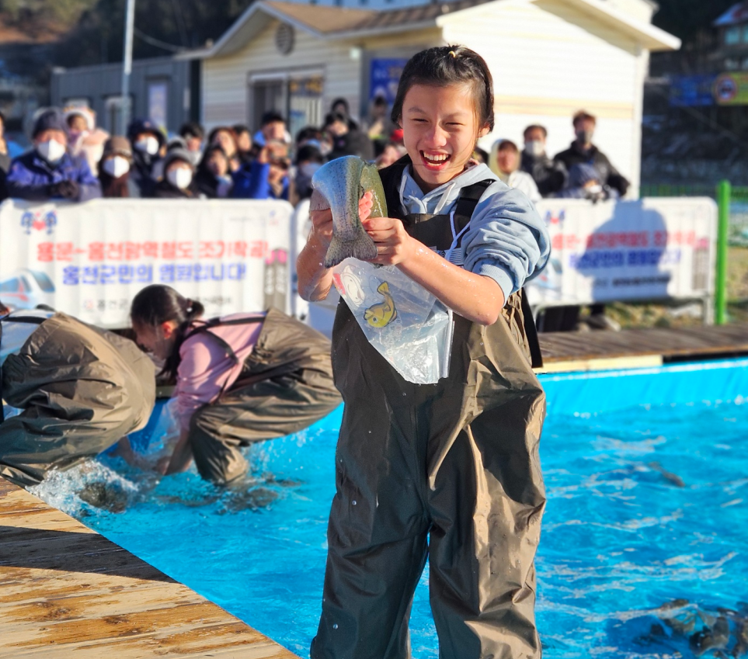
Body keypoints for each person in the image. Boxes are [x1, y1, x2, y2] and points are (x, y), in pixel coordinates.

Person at [298, 45, 549, 659]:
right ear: (399, 120)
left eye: (452, 124)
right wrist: (322, 237)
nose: (433, 139)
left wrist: (408, 251)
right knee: (358, 595)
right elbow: (313, 285)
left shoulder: (504, 206)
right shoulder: (367, 190)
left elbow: (487, 302)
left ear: (483, 127)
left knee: (486, 597)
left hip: (480, 434)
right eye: (418, 120)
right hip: (377, 432)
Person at [129, 285, 342, 484]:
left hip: (317, 376)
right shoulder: (203, 337)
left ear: (166, 329)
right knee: (216, 420)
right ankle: (257, 485)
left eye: (139, 332)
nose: (139, 341)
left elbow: (189, 432)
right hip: (320, 368)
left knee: (210, 427)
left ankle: (242, 498)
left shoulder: (198, 349)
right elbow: (182, 421)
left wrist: (166, 484)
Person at [0, 287, 155, 487]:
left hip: (97, 405)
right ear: (5, 310)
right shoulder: (42, 314)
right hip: (141, 393)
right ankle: (120, 501)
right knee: (59, 464)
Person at [6, 108, 102, 202]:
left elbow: (95, 190)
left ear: (66, 139)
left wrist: (78, 191)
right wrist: (47, 190)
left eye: (57, 136)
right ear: (35, 139)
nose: (51, 141)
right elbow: (15, 187)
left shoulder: (78, 164)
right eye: (46, 135)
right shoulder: (22, 164)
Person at [554, 110, 630, 197]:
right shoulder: (562, 158)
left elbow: (614, 177)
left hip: (598, 206)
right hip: (572, 206)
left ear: (594, 129)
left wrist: (622, 184)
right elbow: (555, 184)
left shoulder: (601, 158)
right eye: (582, 127)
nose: (585, 130)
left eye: (589, 127)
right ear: (575, 130)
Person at [489, 138, 541, 203]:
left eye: (511, 152)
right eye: (503, 151)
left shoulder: (524, 179)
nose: (507, 156)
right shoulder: (486, 180)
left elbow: (536, 203)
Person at [520, 124, 566, 197]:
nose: (533, 142)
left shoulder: (555, 167)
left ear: (544, 140)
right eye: (530, 138)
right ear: (524, 140)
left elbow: (563, 191)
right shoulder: (514, 165)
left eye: (537, 138)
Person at [127, 118, 166, 198]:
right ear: (133, 139)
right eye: (144, 135)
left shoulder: (165, 165)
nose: (149, 139)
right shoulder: (127, 164)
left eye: (152, 136)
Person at [65, 107, 109, 176]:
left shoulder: (95, 141)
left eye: (81, 123)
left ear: (86, 125)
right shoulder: (64, 140)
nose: (77, 125)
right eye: (74, 122)